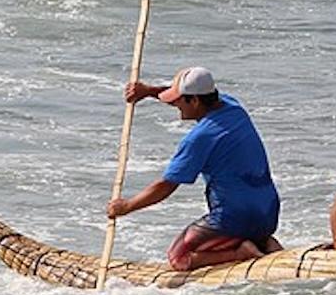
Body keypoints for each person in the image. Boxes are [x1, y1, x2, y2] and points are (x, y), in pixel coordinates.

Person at [106, 66, 282, 271]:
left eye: (180, 101)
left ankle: (239, 252)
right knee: (246, 220)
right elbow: (180, 96)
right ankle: (264, 242)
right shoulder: (233, 106)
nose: (176, 105)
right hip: (268, 215)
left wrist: (126, 207)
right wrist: (149, 91)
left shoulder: (201, 137)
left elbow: (166, 186)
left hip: (234, 218)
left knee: (178, 257)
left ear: (195, 101)